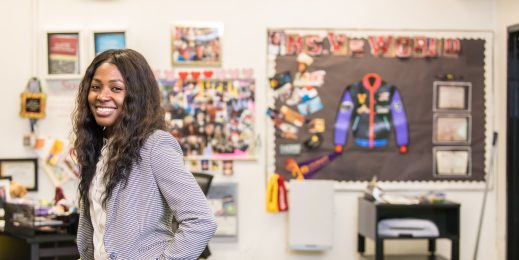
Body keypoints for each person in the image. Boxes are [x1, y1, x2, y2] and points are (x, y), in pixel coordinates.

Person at [72, 49, 217, 260]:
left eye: (116, 88)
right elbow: (100, 229)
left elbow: (201, 220)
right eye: (96, 87)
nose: (102, 96)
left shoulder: (155, 145)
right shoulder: (98, 148)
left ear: (136, 96)